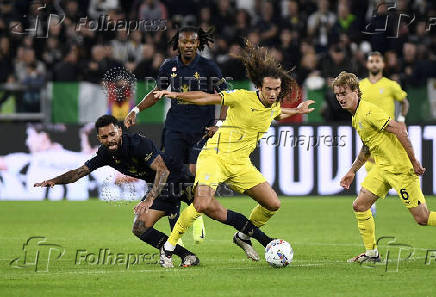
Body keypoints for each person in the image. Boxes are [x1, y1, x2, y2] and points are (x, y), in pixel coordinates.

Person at [153, 42, 315, 267]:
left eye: (277, 89)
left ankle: (243, 236)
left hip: (240, 165)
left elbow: (277, 114)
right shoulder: (240, 96)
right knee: (200, 204)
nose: (273, 93)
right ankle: (169, 248)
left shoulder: (272, 106)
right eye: (268, 89)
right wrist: (173, 93)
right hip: (215, 158)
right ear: (259, 86)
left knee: (272, 203)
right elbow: (205, 97)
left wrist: (297, 111)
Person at [34, 115, 199, 268]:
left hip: (177, 178)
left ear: (119, 130)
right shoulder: (105, 154)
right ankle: (185, 254)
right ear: (99, 138)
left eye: (112, 134)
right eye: (104, 137)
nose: (110, 140)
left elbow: (163, 171)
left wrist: (149, 198)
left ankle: (179, 237)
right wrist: (54, 181)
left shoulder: (138, 143)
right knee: (140, 227)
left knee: (212, 210)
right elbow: (78, 173)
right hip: (161, 186)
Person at [124, 26, 229, 244]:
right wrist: (136, 110)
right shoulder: (168, 66)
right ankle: (176, 234)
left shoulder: (209, 67)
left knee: (191, 173)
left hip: (202, 130)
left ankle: (195, 214)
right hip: (174, 129)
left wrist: (219, 123)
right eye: (184, 42)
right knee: (171, 177)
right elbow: (156, 93)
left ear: (198, 44)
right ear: (178, 43)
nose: (188, 45)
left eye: (192, 42)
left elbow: (226, 97)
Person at [334, 71, 436, 263]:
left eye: (344, 93)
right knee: (360, 205)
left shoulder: (369, 112)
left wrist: (413, 161)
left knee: (422, 218)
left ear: (356, 91)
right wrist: (352, 171)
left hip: (399, 169)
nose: (340, 98)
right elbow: (367, 147)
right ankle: (372, 254)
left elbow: (399, 129)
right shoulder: (356, 116)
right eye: (338, 94)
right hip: (382, 168)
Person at [359, 51, 409, 217]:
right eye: (371, 61)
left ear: (383, 64)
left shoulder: (390, 85)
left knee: (383, 162)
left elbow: (404, 102)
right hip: (369, 132)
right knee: (371, 162)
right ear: (367, 65)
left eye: (377, 61)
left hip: (388, 132)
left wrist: (401, 119)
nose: (374, 64)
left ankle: (372, 199)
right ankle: (370, 200)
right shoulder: (361, 86)